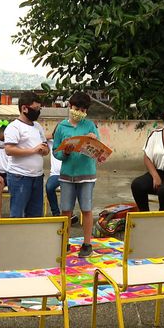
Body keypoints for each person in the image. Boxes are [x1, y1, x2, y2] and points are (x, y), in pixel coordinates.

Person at [52, 92, 101, 257]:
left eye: (82, 109)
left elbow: (99, 151)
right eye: (76, 108)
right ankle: (64, 241)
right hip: (67, 175)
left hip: (86, 174)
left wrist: (93, 140)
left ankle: (87, 244)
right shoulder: (61, 127)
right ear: (70, 106)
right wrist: (64, 153)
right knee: (65, 210)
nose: (79, 111)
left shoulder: (90, 126)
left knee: (86, 210)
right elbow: (56, 152)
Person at [4, 91, 50, 218]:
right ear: (24, 108)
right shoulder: (14, 127)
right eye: (35, 109)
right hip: (20, 176)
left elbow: (45, 147)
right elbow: (9, 150)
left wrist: (44, 150)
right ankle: (16, 237)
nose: (38, 112)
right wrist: (33, 150)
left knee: (35, 214)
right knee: (17, 213)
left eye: (39, 109)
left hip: (37, 176)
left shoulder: (38, 126)